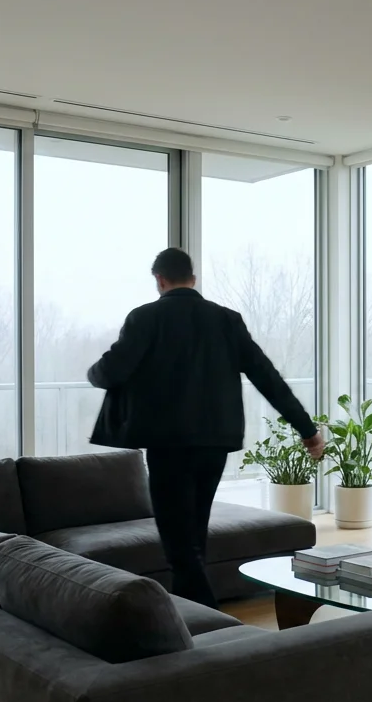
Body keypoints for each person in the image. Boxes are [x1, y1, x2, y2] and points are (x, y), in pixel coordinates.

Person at [87, 248, 324, 609]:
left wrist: (93, 372)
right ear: (192, 280)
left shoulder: (145, 318)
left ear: (160, 280)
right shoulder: (227, 320)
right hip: (215, 443)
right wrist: (306, 430)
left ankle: (207, 619)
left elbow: (111, 371)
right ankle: (193, 617)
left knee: (178, 540)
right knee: (193, 533)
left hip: (168, 445)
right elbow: (267, 377)